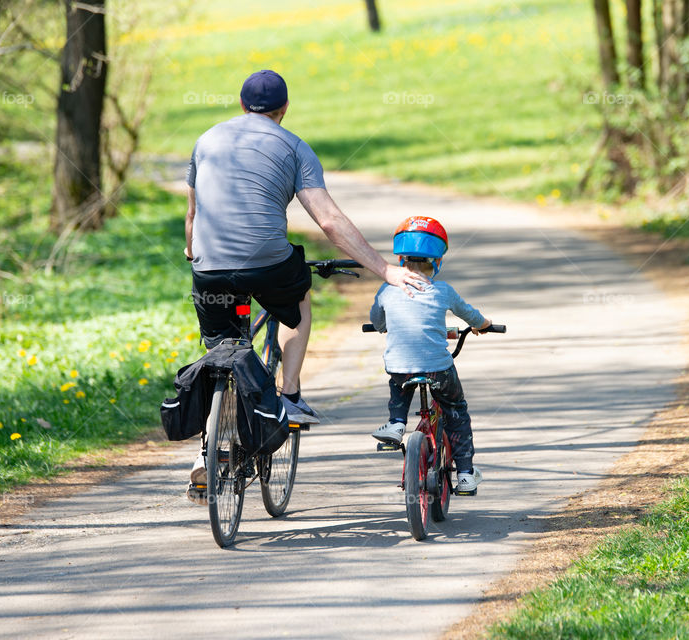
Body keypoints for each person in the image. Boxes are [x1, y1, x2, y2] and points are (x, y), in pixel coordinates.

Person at [184, 70, 427, 499]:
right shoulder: (295, 146)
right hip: (266, 265)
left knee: (220, 350)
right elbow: (329, 221)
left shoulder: (205, 141)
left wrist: (193, 253)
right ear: (284, 110)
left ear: (241, 106)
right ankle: (291, 393)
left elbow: (193, 214)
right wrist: (384, 269)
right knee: (297, 298)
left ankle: (206, 455)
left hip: (208, 267)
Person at [368, 216, 491, 494]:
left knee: (398, 384)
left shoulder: (387, 289)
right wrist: (483, 325)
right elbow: (469, 314)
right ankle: (466, 475)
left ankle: (397, 424)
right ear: (437, 261)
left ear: (401, 259)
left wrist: (387, 323)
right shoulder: (443, 291)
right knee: (456, 410)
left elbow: (377, 321)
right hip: (438, 369)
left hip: (400, 368)